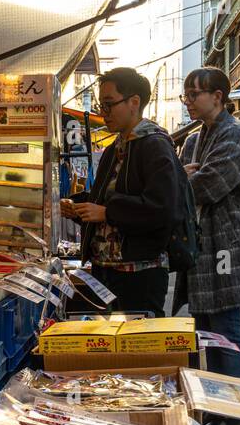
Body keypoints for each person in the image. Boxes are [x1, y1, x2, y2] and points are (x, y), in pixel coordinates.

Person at [179, 67, 240, 425]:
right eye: (186, 95)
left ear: (218, 96)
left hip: (230, 244)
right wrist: (187, 174)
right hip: (206, 244)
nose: (189, 101)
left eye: (195, 94)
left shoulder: (235, 134)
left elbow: (208, 185)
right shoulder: (196, 138)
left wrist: (185, 177)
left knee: (227, 328)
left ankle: (235, 414)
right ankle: (219, 408)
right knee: (206, 331)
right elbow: (191, 179)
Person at [59, 67, 183, 315]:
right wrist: (77, 207)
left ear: (134, 102)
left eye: (108, 105)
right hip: (106, 270)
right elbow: (104, 200)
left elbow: (163, 209)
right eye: (100, 106)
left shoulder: (155, 145)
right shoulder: (113, 148)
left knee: (137, 347)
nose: (102, 113)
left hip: (140, 273)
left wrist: (106, 213)